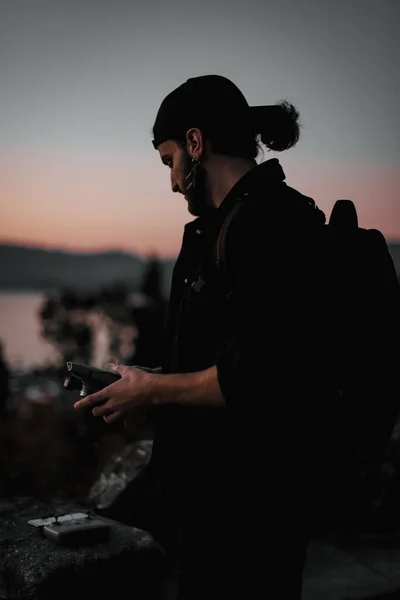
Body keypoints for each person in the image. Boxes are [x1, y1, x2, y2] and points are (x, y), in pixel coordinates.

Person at [74, 75, 339, 599]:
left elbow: (258, 375)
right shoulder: (223, 227)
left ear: (196, 144)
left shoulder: (268, 223)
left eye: (170, 160)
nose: (173, 181)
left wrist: (153, 392)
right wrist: (147, 382)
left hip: (255, 511)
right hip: (216, 501)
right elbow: (223, 356)